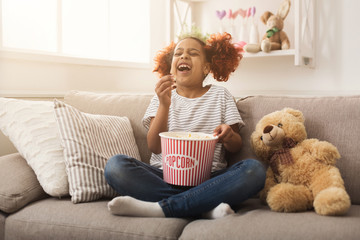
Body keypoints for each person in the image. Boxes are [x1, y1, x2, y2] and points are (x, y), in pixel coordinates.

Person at [104, 32, 266, 219]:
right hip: (163, 177)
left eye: (193, 53)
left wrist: (229, 135)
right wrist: (164, 104)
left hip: (209, 180)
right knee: (115, 166)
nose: (184, 56)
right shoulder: (161, 97)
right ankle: (204, 207)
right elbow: (154, 146)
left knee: (254, 170)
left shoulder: (221, 95)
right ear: (171, 66)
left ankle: (162, 208)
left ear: (206, 68)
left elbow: (235, 146)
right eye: (178, 53)